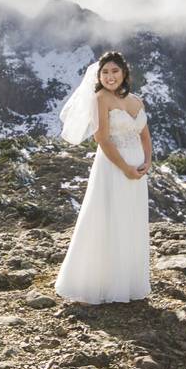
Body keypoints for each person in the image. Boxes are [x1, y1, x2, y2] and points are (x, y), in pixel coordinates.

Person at [55, 51, 152, 304]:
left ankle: (127, 282)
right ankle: (99, 283)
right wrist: (125, 168)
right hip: (113, 167)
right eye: (105, 72)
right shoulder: (100, 98)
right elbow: (102, 138)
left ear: (124, 74)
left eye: (115, 71)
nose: (110, 76)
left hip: (138, 169)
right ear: (99, 76)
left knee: (131, 220)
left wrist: (147, 162)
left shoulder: (136, 101)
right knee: (109, 218)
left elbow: (144, 135)